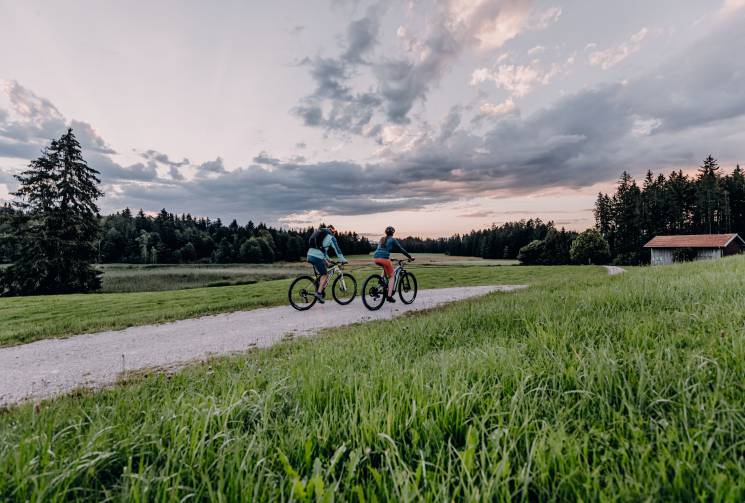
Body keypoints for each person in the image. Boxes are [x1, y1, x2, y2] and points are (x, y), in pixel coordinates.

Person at [307, 225, 347, 303]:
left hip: (310, 255)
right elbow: (337, 249)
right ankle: (319, 293)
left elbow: (322, 250)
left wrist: (328, 260)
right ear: (332, 231)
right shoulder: (331, 237)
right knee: (325, 275)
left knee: (326, 268)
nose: (334, 233)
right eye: (334, 232)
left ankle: (319, 288)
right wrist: (342, 260)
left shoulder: (321, 235)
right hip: (317, 257)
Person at [373, 226, 413, 303]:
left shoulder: (382, 239)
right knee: (392, 277)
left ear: (386, 233)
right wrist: (410, 257)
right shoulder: (392, 240)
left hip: (376, 258)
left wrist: (388, 257)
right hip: (384, 259)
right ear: (393, 233)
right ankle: (389, 296)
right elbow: (401, 249)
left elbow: (381, 250)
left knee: (385, 267)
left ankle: (380, 283)